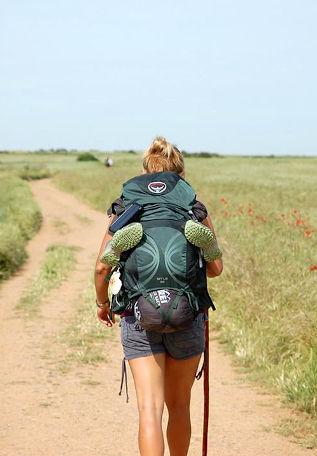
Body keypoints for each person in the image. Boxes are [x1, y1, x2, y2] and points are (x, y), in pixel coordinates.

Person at [94, 137, 223, 456]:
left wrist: (102, 304)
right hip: (187, 315)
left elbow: (101, 268)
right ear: (179, 173)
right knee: (179, 407)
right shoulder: (192, 206)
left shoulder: (127, 206)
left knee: (149, 410)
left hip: (139, 317)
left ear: (146, 170)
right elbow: (216, 268)